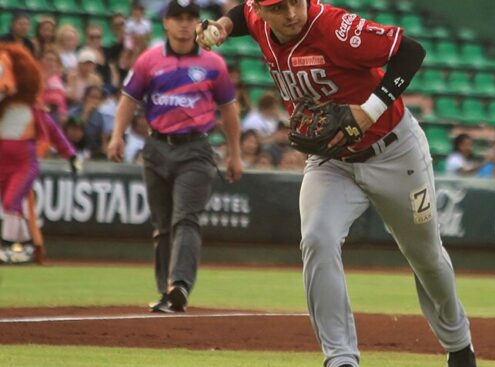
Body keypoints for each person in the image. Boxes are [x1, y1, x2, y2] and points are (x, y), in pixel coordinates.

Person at [200, 1, 475, 366]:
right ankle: (341, 358)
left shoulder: (336, 28)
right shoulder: (256, 17)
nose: (291, 13)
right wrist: (220, 25)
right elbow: (240, 17)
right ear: (260, 9)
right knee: (317, 239)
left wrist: (369, 111)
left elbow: (411, 51)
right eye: (278, 7)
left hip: (395, 152)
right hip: (331, 161)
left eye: (296, 2)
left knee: (425, 256)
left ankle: (459, 345)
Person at [107, 0, 243, 313]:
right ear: (165, 24)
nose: (184, 24)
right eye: (177, 18)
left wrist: (235, 154)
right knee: (162, 225)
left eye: (190, 18)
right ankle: (166, 291)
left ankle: (179, 284)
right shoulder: (149, 60)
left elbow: (229, 110)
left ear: (198, 24)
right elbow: (129, 99)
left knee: (186, 218)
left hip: (196, 148)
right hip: (156, 147)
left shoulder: (213, 64)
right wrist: (117, 135)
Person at [0, 43, 76, 264]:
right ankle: (26, 246)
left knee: (11, 202)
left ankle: (5, 246)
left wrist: (70, 155)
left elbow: (53, 132)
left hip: (24, 161)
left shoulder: (32, 108)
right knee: (11, 205)